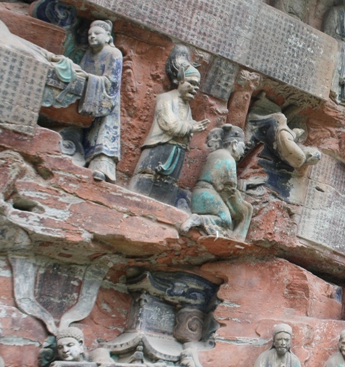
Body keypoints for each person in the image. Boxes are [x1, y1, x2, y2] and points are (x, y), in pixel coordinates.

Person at [129, 63, 210, 205]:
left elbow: (187, 127)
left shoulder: (187, 107)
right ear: (180, 81)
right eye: (191, 83)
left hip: (177, 151)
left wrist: (192, 127)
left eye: (197, 87)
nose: (195, 89)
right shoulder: (166, 98)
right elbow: (168, 124)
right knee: (147, 181)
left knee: (168, 186)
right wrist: (191, 127)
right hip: (160, 147)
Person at [186, 124, 253, 238]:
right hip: (207, 196)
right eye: (243, 148)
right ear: (235, 144)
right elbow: (228, 189)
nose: (242, 153)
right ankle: (198, 219)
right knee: (226, 220)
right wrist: (242, 207)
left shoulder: (215, 154)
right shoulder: (228, 158)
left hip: (198, 195)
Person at [77, 20, 123, 183]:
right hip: (89, 97)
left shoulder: (114, 53)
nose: (92, 37)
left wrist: (89, 79)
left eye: (97, 33)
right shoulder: (88, 54)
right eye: (90, 34)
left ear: (108, 36)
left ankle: (101, 167)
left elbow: (112, 82)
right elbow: (80, 72)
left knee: (104, 133)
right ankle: (79, 155)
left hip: (106, 102)